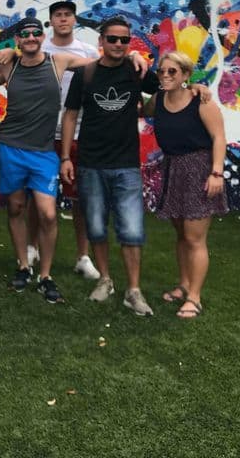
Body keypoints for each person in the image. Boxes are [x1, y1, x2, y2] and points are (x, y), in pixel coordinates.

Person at [0, 17, 146, 304]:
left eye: (36, 33)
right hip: (11, 146)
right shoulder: (8, 65)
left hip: (44, 149)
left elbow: (100, 61)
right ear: (18, 39)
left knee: (48, 213)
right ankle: (24, 266)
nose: (31, 37)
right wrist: (8, 52)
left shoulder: (58, 61)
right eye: (25, 34)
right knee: (15, 206)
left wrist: (132, 54)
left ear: (43, 36)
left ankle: (45, 275)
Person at [61, 16, 160, 316]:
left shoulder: (136, 70)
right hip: (90, 162)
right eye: (113, 39)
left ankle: (133, 290)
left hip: (127, 164)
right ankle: (105, 279)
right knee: (95, 226)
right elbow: (70, 115)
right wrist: (66, 157)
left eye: (124, 40)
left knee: (131, 229)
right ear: (101, 41)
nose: (118, 44)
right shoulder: (86, 74)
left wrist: (196, 91)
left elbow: (168, 86)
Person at [143, 51, 227, 318]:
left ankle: (195, 297)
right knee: (181, 234)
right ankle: (184, 285)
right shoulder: (158, 100)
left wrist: (216, 172)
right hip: (173, 168)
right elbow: (140, 109)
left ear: (186, 75)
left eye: (173, 71)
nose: (165, 75)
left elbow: (219, 137)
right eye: (162, 71)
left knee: (194, 238)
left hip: (199, 170)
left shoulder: (201, 101)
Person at [34, 0, 100, 281]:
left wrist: (132, 56)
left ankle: (83, 256)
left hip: (79, 133)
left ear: (74, 20)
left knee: (80, 198)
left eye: (68, 15)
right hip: (44, 133)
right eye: (58, 15)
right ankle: (32, 248)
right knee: (37, 196)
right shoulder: (40, 50)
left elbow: (106, 68)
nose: (63, 19)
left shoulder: (88, 52)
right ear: (51, 21)